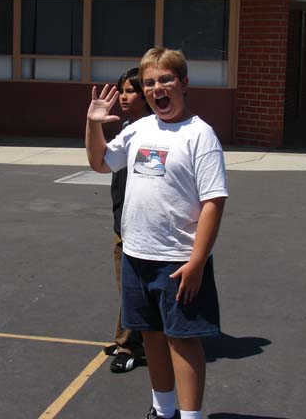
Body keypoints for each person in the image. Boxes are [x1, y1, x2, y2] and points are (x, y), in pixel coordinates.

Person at [85, 47, 228, 419]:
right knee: (151, 336)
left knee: (183, 341)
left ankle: (191, 417)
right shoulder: (138, 129)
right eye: (149, 83)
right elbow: (100, 162)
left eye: (166, 80)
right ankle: (163, 412)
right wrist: (93, 124)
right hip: (136, 256)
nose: (157, 89)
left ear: (183, 83)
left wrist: (197, 263)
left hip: (178, 261)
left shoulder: (200, 135)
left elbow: (214, 202)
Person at [105, 67, 150, 373]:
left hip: (139, 227)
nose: (123, 97)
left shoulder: (150, 133)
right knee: (128, 287)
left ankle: (130, 346)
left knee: (132, 288)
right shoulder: (127, 129)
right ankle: (128, 338)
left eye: (130, 91)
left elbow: (147, 180)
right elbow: (103, 163)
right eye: (121, 91)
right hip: (122, 221)